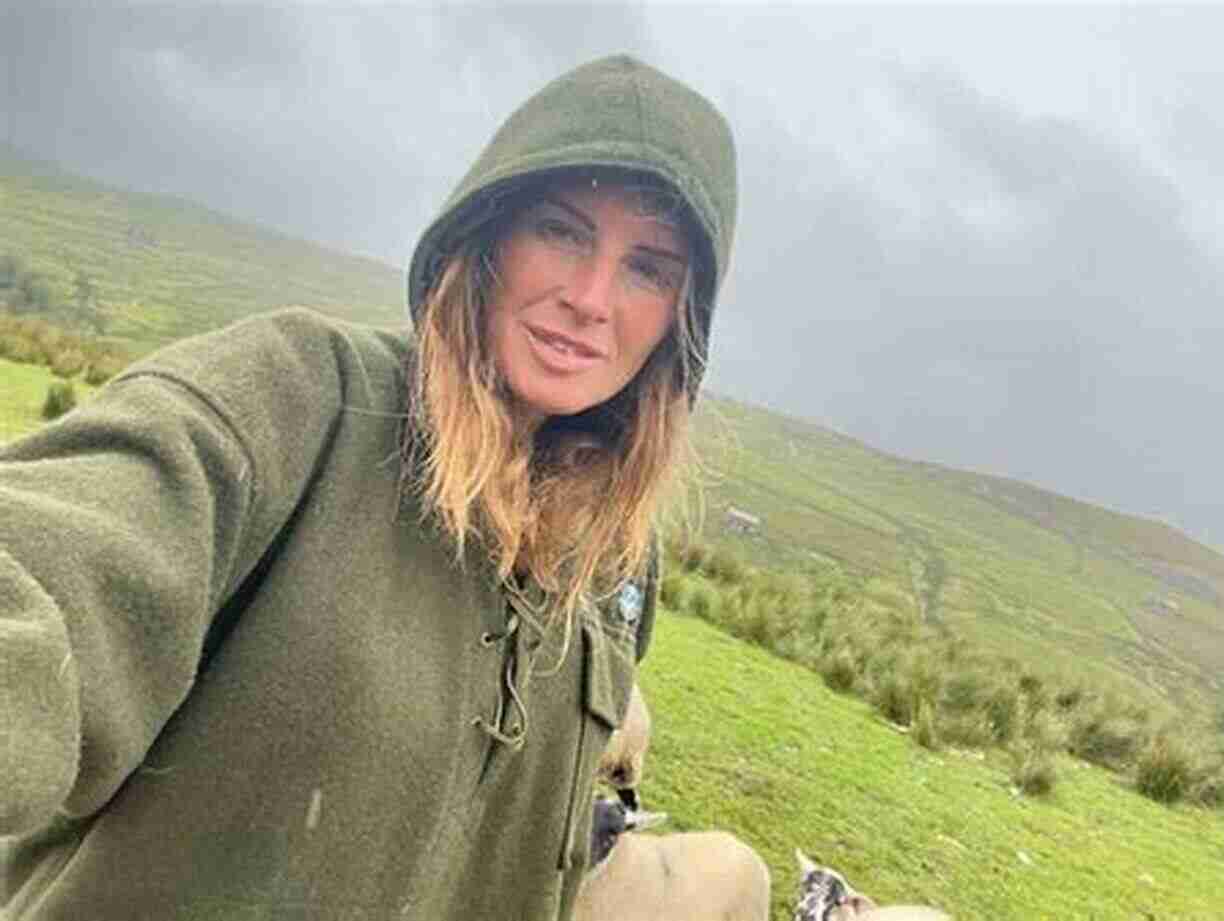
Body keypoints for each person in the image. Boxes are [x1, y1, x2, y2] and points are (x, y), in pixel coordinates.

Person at [0, 53, 737, 920]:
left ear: (680, 317)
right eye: (562, 229)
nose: (590, 297)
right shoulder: (299, 396)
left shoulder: (615, 567)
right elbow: (53, 570)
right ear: (490, 233)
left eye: (647, 267)